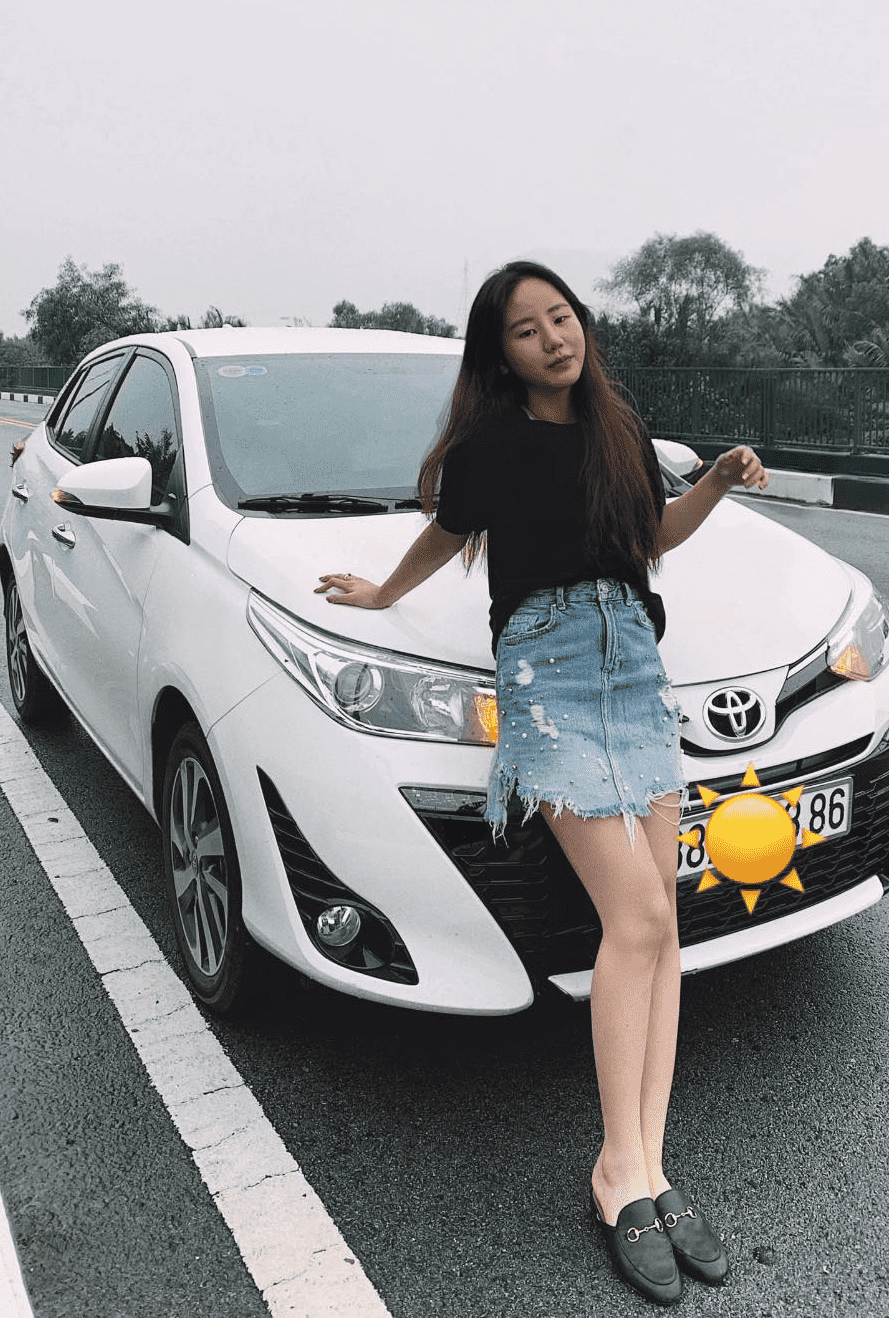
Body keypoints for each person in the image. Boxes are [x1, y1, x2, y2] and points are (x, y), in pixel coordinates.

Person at [314, 261, 768, 1305]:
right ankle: (616, 1170)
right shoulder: (491, 445)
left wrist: (713, 481)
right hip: (548, 672)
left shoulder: (617, 428)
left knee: (663, 923)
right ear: (502, 353)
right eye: (528, 329)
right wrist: (381, 593)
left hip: (635, 665)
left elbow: (650, 537)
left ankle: (652, 1164)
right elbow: (447, 535)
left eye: (562, 317)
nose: (554, 338)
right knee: (635, 917)